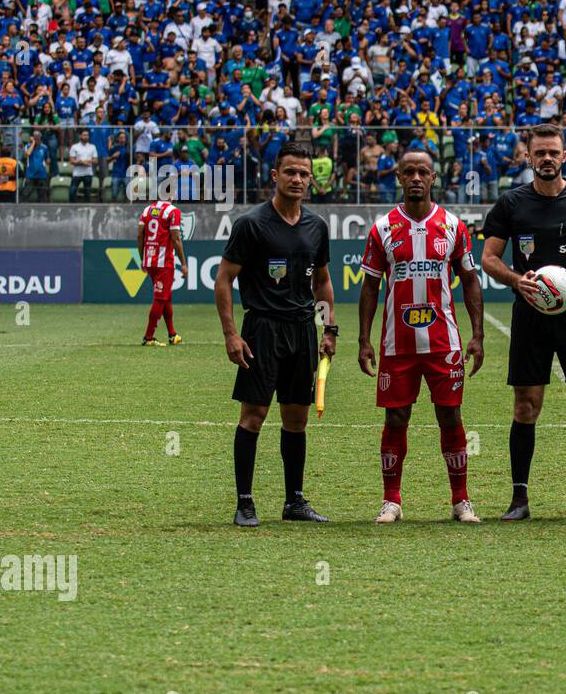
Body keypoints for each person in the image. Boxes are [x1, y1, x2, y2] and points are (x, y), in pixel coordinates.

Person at [480, 122, 566, 522]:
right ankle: (519, 500)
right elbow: (489, 257)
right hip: (530, 314)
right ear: (528, 157)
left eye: (552, 152)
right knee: (526, 406)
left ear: (565, 156)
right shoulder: (511, 204)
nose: (546, 158)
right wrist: (514, 279)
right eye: (538, 152)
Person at [357, 151, 485, 525]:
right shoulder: (383, 227)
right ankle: (391, 500)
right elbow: (369, 287)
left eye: (422, 172)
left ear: (433, 178)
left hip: (444, 343)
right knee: (396, 418)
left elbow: (471, 281)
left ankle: (461, 500)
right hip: (398, 345)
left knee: (450, 415)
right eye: (408, 171)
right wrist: (364, 340)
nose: (416, 177)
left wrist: (477, 335)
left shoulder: (452, 226)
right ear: (398, 177)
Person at [215, 143, 337, 528]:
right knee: (254, 416)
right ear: (275, 175)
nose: (297, 179)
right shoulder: (251, 224)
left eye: (303, 173)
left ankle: (294, 501)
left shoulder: (317, 226)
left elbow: (322, 282)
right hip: (262, 329)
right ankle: (245, 502)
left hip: (302, 331)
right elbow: (224, 280)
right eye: (290, 172)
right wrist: (232, 335)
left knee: (296, 419)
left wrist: (329, 329)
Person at [138, 199, 188, 346]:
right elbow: (176, 238)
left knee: (166, 297)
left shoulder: (147, 210)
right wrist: (183, 264)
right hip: (163, 262)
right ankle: (148, 337)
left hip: (150, 260)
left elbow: (140, 235)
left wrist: (142, 258)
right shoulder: (173, 211)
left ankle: (172, 334)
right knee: (160, 298)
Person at [68, 130, 99, 203]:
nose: (86, 137)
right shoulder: (74, 147)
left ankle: (87, 210)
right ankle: (71, 209)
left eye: (87, 135)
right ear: (80, 136)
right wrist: (81, 162)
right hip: (77, 174)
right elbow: (72, 161)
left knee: (87, 195)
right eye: (84, 135)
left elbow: (95, 160)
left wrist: (85, 162)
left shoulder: (92, 147)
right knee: (72, 193)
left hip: (88, 174)